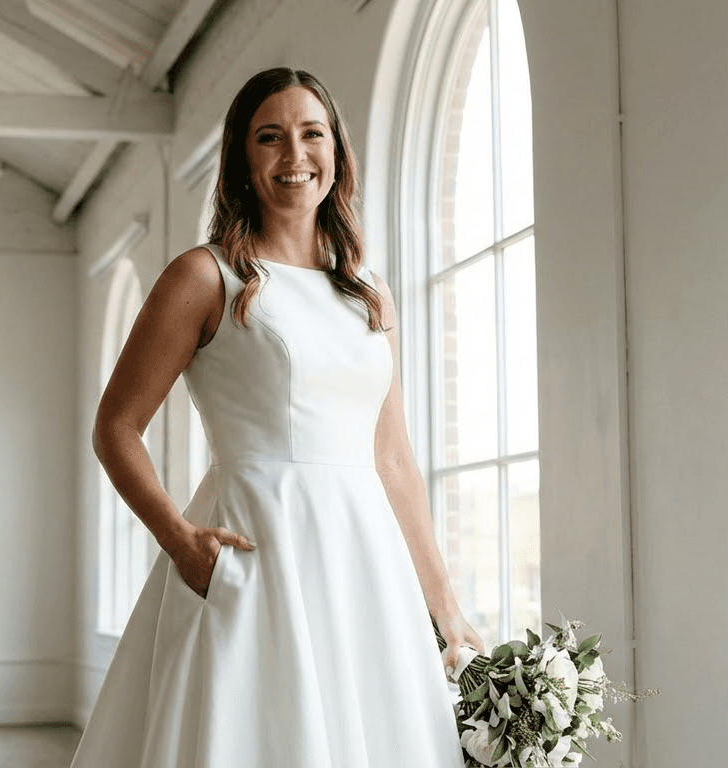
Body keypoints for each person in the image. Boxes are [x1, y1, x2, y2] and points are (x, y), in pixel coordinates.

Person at [70, 67, 485, 767]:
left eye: (311, 134)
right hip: (252, 554)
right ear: (241, 158)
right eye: (270, 137)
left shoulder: (369, 292)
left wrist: (443, 603)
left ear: (336, 152)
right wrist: (180, 541)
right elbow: (115, 427)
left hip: (363, 562)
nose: (295, 157)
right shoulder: (205, 276)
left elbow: (392, 459)